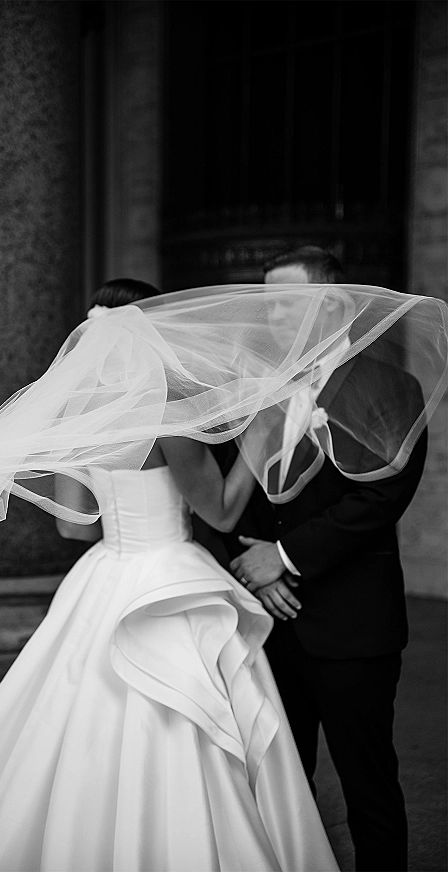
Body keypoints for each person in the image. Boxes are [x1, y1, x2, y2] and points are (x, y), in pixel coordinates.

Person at [0, 276, 444, 872]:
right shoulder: (170, 416)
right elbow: (219, 509)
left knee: (74, 718)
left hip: (106, 573)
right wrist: (259, 438)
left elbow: (76, 529)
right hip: (169, 574)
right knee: (191, 717)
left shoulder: (80, 415)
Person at [228, 246, 427, 872]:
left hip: (352, 626)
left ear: (332, 303)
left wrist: (285, 557)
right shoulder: (262, 389)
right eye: (267, 303)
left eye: (285, 302)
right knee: (283, 781)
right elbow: (242, 495)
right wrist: (258, 574)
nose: (273, 315)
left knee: (367, 782)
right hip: (272, 623)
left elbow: (381, 493)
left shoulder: (391, 386)